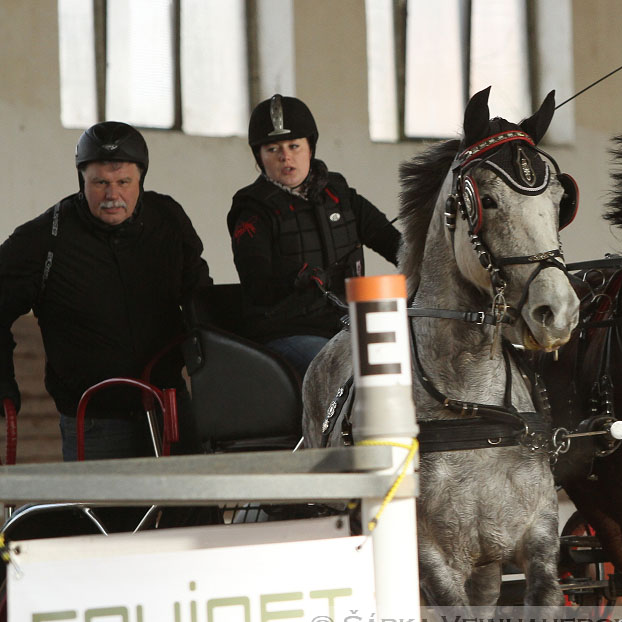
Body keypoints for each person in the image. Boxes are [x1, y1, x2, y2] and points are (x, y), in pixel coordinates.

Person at [0, 121, 212, 461]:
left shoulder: (168, 220)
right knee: (105, 515)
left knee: (191, 513)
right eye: (100, 183)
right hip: (93, 421)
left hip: (169, 408)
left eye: (123, 182)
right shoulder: (44, 240)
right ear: (82, 180)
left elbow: (200, 296)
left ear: (141, 180)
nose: (112, 195)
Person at [228, 94, 401, 378]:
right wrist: (297, 278)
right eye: (273, 149)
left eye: (294, 146)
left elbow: (391, 241)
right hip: (288, 331)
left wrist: (428, 262)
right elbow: (256, 281)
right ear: (258, 157)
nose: (285, 157)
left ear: (310, 147)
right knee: (342, 370)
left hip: (350, 322)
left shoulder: (339, 193)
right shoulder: (251, 209)